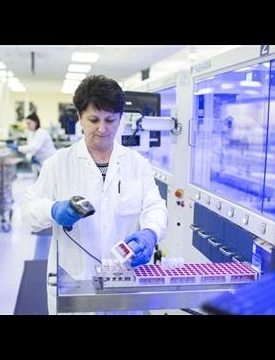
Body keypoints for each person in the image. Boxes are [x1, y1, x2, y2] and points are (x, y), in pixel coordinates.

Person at [20, 75, 169, 314]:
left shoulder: (136, 164)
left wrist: (150, 234)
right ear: (79, 118)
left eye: (110, 120)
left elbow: (155, 207)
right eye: (93, 119)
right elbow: (28, 211)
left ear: (120, 119)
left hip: (125, 284)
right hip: (75, 285)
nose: (102, 128)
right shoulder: (59, 163)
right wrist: (54, 211)